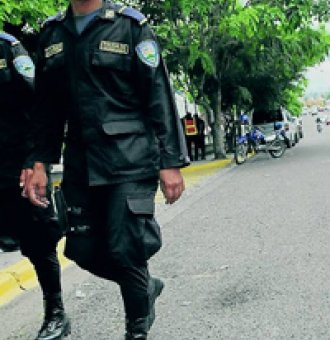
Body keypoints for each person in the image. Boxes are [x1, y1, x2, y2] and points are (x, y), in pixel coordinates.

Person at [24, 1, 189, 339]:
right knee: (82, 251)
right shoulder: (52, 34)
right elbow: (45, 110)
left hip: (129, 158)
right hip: (82, 163)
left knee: (125, 248)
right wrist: (39, 163)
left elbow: (158, 94)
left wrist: (170, 161)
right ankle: (145, 287)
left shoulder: (131, 27)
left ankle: (136, 330)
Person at [0, 31, 70, 340]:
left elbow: (41, 105)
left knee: (37, 240)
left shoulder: (8, 49)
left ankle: (55, 312)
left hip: (15, 165)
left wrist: (36, 161)